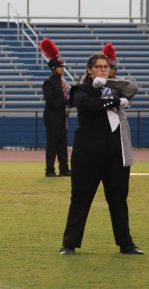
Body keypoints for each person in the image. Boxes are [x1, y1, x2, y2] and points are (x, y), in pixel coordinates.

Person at [59, 54, 143, 256]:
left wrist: (108, 84)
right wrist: (114, 101)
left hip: (115, 154)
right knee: (81, 199)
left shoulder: (115, 86)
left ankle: (126, 244)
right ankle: (69, 244)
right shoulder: (81, 88)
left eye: (106, 67)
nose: (103, 69)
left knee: (118, 200)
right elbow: (87, 104)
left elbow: (133, 86)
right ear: (89, 69)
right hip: (88, 154)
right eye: (98, 67)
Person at [39, 37, 70, 177]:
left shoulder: (63, 82)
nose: (62, 69)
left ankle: (64, 169)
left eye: (62, 66)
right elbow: (50, 101)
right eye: (60, 66)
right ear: (53, 68)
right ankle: (49, 170)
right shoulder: (49, 83)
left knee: (63, 144)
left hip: (62, 116)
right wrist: (66, 101)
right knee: (52, 143)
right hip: (52, 116)